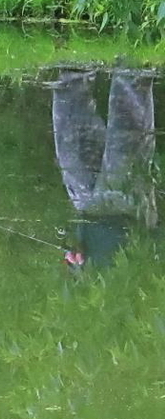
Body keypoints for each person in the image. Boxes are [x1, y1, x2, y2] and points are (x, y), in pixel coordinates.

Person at [53, 66, 157, 270]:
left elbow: (71, 280)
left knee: (70, 141)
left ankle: (74, 54)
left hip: (87, 212)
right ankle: (134, 54)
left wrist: (73, 260)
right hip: (128, 214)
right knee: (128, 132)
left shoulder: (74, 295)